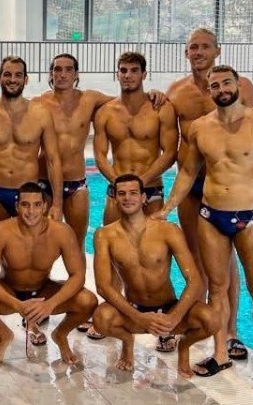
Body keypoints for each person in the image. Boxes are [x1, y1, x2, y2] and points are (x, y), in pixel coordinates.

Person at [155, 65, 253, 390]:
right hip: (210, 216)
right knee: (217, 289)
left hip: (250, 218)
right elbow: (188, 173)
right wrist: (166, 208)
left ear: (238, 85)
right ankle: (220, 353)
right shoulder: (201, 128)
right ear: (210, 91)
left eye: (226, 83)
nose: (221, 89)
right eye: (214, 85)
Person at [33, 53, 167, 339]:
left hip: (78, 183)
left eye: (68, 69)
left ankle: (82, 304)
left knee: (79, 244)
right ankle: (38, 305)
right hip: (46, 184)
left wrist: (155, 94)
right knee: (42, 247)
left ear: (77, 74)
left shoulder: (92, 100)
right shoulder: (39, 103)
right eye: (57, 69)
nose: (62, 74)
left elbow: (126, 100)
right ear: (50, 73)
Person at [166, 28, 253, 360]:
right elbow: (171, 141)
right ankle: (199, 321)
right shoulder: (176, 93)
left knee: (226, 261)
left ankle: (230, 331)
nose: (199, 52)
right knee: (194, 258)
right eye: (193, 47)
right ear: (186, 53)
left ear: (217, 50)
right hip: (191, 187)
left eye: (205, 46)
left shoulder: (240, 86)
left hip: (226, 188)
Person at [92, 174, 216, 377]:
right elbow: (103, 286)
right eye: (121, 193)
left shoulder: (168, 230)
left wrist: (174, 317)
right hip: (133, 311)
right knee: (101, 318)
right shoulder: (104, 235)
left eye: (133, 193)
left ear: (143, 198)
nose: (127, 198)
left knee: (210, 319)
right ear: (114, 198)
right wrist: (139, 318)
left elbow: (195, 281)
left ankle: (183, 347)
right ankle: (127, 341)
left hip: (169, 309)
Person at [0, 182, 97, 365]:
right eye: (25, 205)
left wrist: (50, 304)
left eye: (37, 205)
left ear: (45, 206)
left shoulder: (61, 232)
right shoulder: (0, 231)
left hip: (43, 291)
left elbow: (78, 275)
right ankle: (4, 335)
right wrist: (17, 305)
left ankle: (60, 334)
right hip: (10, 291)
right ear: (17, 206)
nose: (31, 211)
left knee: (88, 301)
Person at [0, 56, 63, 240]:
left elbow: (52, 160)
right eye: (7, 74)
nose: (12, 79)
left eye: (18, 75)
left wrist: (57, 203)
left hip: (29, 194)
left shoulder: (41, 114)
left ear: (25, 79)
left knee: (31, 252)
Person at [93, 51, 178, 225]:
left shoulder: (161, 108)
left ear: (144, 75)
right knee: (111, 239)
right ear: (117, 75)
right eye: (123, 70)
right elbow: (100, 156)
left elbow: (170, 153)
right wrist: (119, 184)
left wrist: (140, 183)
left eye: (134, 70)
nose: (128, 75)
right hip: (117, 187)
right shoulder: (105, 112)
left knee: (153, 242)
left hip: (150, 188)